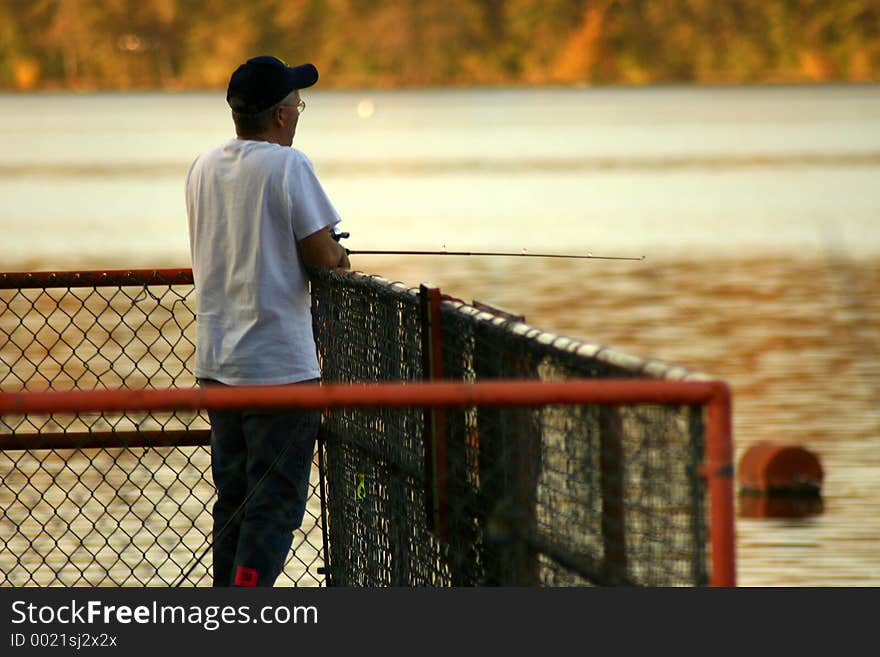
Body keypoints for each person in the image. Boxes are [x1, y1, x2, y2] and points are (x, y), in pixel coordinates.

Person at [184, 55, 349, 587]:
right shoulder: (288, 165)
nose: (300, 112)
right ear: (280, 115)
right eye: (297, 104)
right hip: (279, 370)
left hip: (218, 363)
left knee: (232, 500)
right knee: (273, 506)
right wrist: (341, 257)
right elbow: (323, 255)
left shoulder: (203, 166)